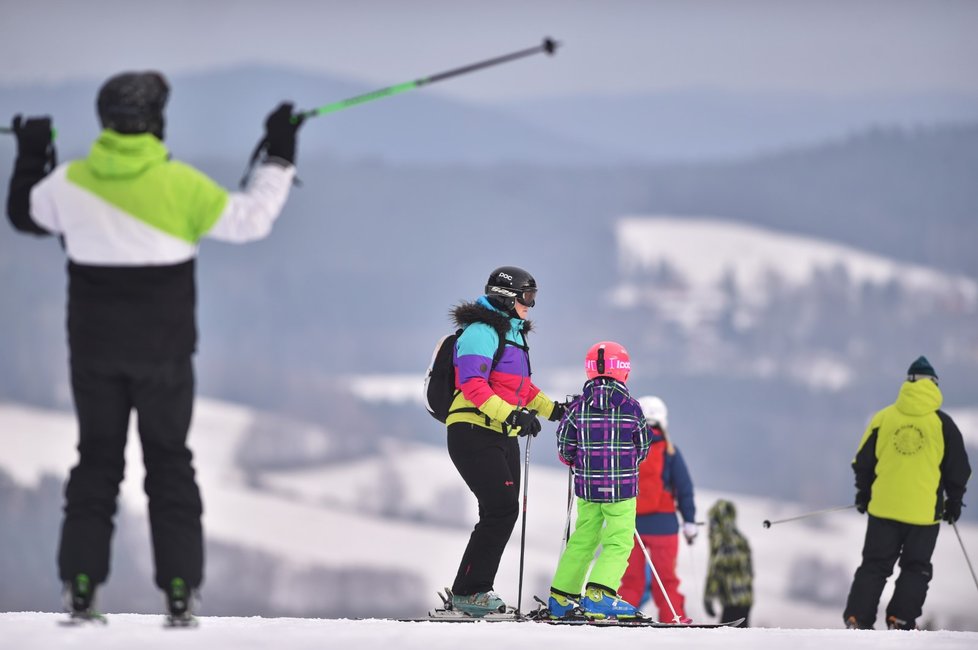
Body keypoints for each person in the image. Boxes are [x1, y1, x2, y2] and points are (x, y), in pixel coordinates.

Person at [5, 71, 303, 623]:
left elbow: (25, 214)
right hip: (165, 358)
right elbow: (252, 218)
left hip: (92, 356)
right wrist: (280, 153)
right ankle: (180, 590)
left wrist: (33, 151)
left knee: (96, 461)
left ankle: (81, 584)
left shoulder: (69, 184)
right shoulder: (183, 187)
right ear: (157, 122)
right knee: (169, 463)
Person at [446, 266, 562, 616]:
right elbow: (473, 386)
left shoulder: (513, 335)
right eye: (527, 297)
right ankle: (469, 592)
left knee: (500, 511)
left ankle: (471, 591)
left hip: (500, 433)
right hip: (472, 430)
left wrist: (554, 411)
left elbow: (521, 388)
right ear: (507, 297)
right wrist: (512, 415)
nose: (531, 305)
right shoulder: (481, 333)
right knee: (502, 508)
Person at [843, 356, 971, 631]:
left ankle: (857, 618)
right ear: (934, 385)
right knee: (916, 568)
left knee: (874, 566)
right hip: (923, 515)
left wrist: (863, 494)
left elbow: (863, 462)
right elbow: (959, 469)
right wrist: (954, 501)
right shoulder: (943, 425)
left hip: (884, 510)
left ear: (907, 384)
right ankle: (900, 619)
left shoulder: (884, 418)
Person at [547, 341, 651, 620]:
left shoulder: (577, 408)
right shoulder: (632, 408)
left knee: (583, 538)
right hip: (622, 488)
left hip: (588, 488)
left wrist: (575, 460)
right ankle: (600, 594)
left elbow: (564, 446)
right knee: (618, 540)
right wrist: (629, 463)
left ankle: (561, 598)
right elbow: (643, 445)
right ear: (624, 372)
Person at [619, 395, 697, 623]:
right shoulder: (670, 451)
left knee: (631, 581)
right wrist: (690, 522)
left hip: (631, 526)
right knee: (666, 580)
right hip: (665, 527)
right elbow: (684, 489)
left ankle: (622, 618)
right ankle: (674, 618)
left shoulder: (626, 449)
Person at [703, 499, 753, 627]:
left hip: (733, 600)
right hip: (745, 598)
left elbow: (716, 570)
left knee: (729, 636)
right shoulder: (739, 538)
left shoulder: (723, 540)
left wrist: (709, 596)